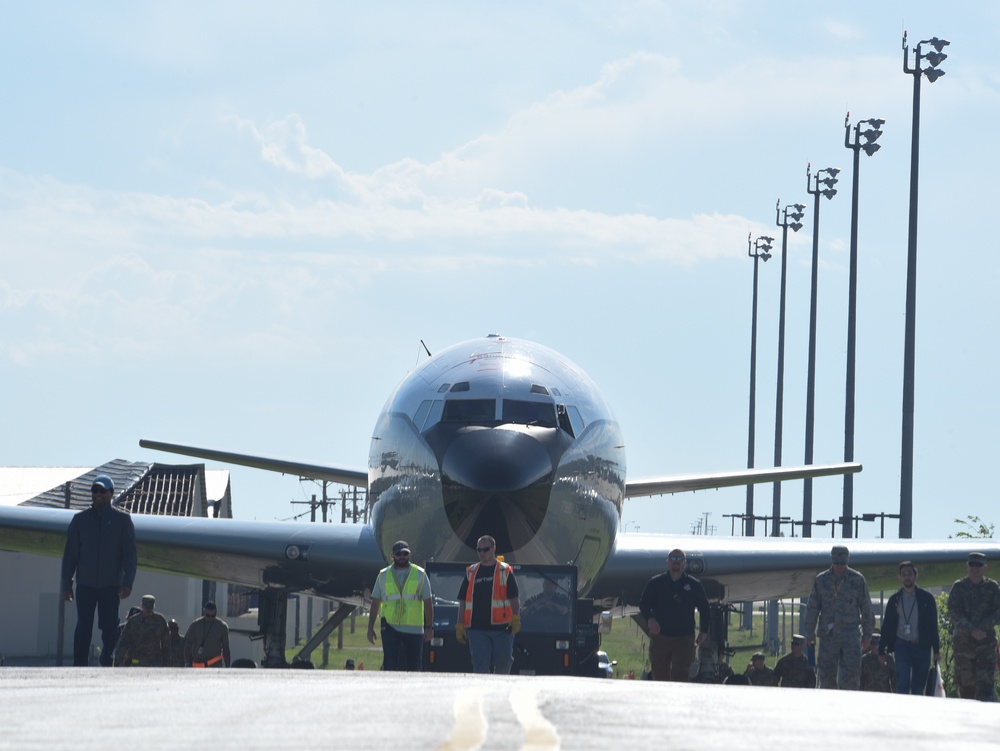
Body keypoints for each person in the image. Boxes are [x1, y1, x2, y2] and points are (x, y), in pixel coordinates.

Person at [60, 474, 138, 667]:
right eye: (95, 490)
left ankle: (107, 659)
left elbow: (130, 555)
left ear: (111, 493)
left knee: (110, 628)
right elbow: (70, 555)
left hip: (111, 585)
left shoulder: (122, 520)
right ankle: (79, 666)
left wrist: (128, 583)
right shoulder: (79, 520)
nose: (97, 494)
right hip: (85, 584)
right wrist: (66, 585)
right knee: (83, 627)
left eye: (102, 491)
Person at [802, 545, 874, 690]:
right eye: (837, 563)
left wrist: (867, 635)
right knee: (826, 676)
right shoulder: (821, 580)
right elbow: (812, 608)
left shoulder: (857, 579)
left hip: (851, 635)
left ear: (848, 560)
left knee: (851, 675)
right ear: (831, 560)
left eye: (843, 563)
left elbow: (867, 608)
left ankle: (848, 707)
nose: (840, 566)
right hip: (828, 636)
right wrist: (809, 632)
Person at [638, 548, 710, 682]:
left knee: (681, 675)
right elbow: (644, 604)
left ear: (684, 563)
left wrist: (704, 630)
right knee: (660, 675)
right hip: (661, 636)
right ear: (667, 562)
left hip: (684, 637)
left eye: (679, 559)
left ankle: (678, 702)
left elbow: (705, 608)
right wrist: (650, 619)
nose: (675, 563)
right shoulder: (656, 583)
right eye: (673, 559)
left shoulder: (694, 585)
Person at [456, 535, 520, 674]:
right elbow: (463, 600)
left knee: (504, 664)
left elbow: (514, 598)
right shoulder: (471, 571)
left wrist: (516, 619)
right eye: (479, 550)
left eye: (485, 549)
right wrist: (460, 624)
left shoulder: (505, 570)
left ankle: (500, 694)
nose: (482, 553)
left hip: (503, 629)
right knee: (480, 666)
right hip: (477, 629)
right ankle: (481, 694)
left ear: (493, 549)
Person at [366, 540, 434, 671]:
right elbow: (375, 603)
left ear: (410, 554)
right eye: (398, 554)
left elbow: (428, 602)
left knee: (414, 667)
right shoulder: (383, 575)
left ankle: (412, 691)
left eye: (405, 553)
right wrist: (370, 628)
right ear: (392, 555)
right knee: (390, 665)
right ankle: (390, 691)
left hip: (414, 628)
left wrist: (429, 627)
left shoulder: (420, 574)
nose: (402, 556)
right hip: (390, 627)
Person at [878, 561, 940, 695]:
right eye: (904, 575)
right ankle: (902, 713)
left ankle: (916, 714)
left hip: (922, 646)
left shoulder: (927, 599)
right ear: (900, 578)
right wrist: (881, 649)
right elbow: (887, 625)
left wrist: (936, 649)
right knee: (903, 684)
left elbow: (933, 625)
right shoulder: (894, 600)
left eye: (910, 574)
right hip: (902, 646)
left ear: (916, 575)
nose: (907, 577)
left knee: (918, 687)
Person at [947, 552, 1000, 701]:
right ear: (967, 566)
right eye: (972, 565)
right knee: (966, 688)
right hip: (964, 645)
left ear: (985, 568)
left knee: (986, 687)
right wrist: (971, 629)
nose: (975, 568)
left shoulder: (992, 587)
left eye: (979, 565)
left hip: (985, 645)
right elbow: (953, 612)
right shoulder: (958, 587)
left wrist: (983, 627)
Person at [114, 594, 170, 667]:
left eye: (150, 608)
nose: (148, 611)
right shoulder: (133, 621)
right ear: (142, 606)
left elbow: (166, 644)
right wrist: (119, 661)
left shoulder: (160, 620)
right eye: (146, 608)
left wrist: (167, 664)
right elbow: (123, 642)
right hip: (136, 662)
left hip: (155, 663)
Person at [184, 601, 231, 668]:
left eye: (213, 616)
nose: (210, 618)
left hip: (215, 664)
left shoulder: (222, 627)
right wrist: (187, 663)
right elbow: (188, 645)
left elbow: (226, 649)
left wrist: (228, 667)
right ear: (204, 612)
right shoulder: (195, 625)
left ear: (216, 612)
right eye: (208, 615)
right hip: (198, 664)